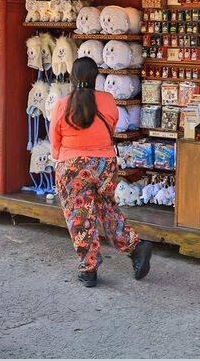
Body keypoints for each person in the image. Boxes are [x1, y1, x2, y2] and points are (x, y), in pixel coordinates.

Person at [49, 57, 152, 287]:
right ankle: (136, 247)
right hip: (105, 163)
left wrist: (60, 159)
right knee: (107, 208)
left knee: (80, 216)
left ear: (72, 77)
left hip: (72, 166)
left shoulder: (62, 104)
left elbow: (55, 140)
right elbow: (112, 127)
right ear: (96, 77)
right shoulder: (108, 100)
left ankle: (89, 267)